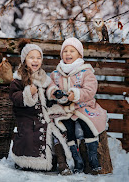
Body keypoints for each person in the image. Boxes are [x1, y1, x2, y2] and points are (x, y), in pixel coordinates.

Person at [9, 39, 72, 175]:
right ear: (24, 59)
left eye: (38, 58)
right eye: (31, 57)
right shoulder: (18, 79)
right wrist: (27, 93)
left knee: (56, 130)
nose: (35, 61)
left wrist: (56, 93)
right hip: (27, 117)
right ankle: (27, 162)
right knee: (30, 135)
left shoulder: (44, 77)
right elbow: (15, 98)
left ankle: (60, 162)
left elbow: (50, 90)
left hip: (43, 115)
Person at [46, 37, 107, 173]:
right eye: (65, 51)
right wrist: (55, 93)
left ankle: (93, 158)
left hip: (83, 107)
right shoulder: (56, 74)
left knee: (88, 124)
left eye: (72, 51)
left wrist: (76, 94)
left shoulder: (86, 72)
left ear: (79, 54)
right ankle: (76, 160)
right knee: (68, 129)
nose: (68, 54)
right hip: (64, 109)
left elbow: (90, 90)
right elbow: (50, 86)